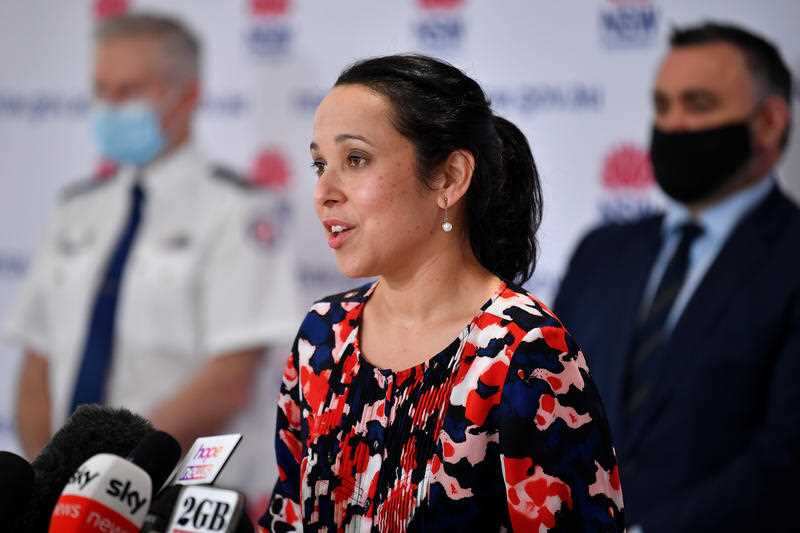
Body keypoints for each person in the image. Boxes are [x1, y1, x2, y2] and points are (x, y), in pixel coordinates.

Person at [260, 54, 624, 532]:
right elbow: (286, 518)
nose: (323, 191)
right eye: (319, 164)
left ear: (450, 177)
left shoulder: (526, 351)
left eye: (355, 159)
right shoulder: (323, 334)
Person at [5, 12, 297, 468]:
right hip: (63, 496)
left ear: (189, 95)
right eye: (102, 90)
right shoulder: (76, 208)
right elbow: (37, 362)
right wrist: (48, 472)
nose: (109, 107)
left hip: (177, 491)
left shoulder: (238, 210)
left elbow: (230, 377)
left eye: (129, 92)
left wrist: (113, 471)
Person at [553, 22, 799, 532]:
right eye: (663, 107)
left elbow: (785, 453)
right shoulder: (602, 253)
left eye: (699, 105)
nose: (674, 125)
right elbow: (551, 409)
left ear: (770, 121)